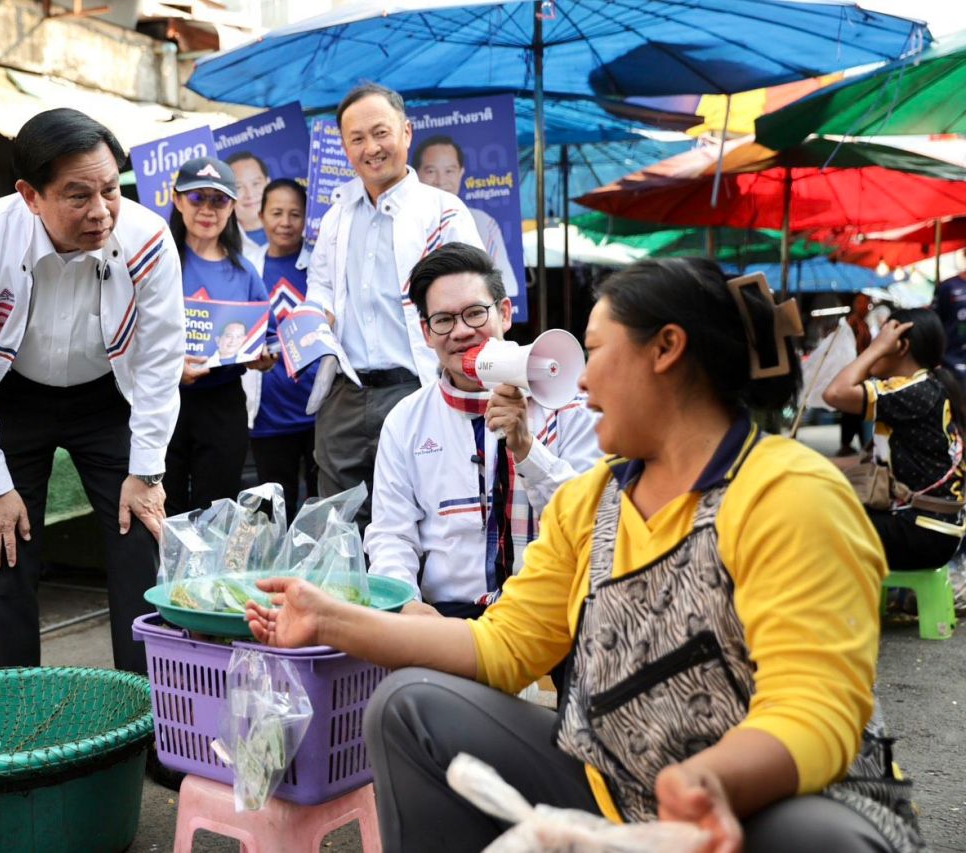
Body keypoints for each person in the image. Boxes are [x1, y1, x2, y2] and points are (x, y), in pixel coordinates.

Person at [247, 257, 923, 853]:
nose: (581, 378)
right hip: (614, 787)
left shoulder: (790, 492)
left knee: (816, 838)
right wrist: (329, 619)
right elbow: (502, 646)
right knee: (408, 706)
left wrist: (708, 778)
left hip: (765, 800)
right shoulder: (591, 500)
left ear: (667, 349)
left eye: (595, 350)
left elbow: (815, 706)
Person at [0, 108, 183, 674]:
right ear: (29, 195)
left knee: (137, 541)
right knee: (6, 548)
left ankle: (151, 725)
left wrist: (146, 472)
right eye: (78, 196)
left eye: (110, 190)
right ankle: (13, 725)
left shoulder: (147, 238)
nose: (101, 212)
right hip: (15, 395)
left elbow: (160, 359)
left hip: (107, 397)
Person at [367, 242, 600, 617]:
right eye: (443, 320)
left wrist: (528, 450)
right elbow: (392, 535)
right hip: (445, 615)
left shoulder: (570, 403)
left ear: (505, 313)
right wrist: (407, 605)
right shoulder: (406, 421)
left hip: (554, 613)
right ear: (426, 333)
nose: (461, 332)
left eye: (475, 314)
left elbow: (594, 521)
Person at [307, 83, 484, 527]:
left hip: (418, 387)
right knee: (339, 525)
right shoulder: (335, 217)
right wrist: (309, 326)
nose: (371, 148)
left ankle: (412, 601)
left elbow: (473, 299)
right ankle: (345, 601)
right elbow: (321, 290)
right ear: (345, 147)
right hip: (345, 394)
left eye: (380, 132)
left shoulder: (444, 211)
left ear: (406, 132)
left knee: (422, 518)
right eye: (357, 139)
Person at [166, 156, 275, 515]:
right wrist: (170, 366)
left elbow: (266, 335)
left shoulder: (244, 272)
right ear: (178, 199)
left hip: (222, 403)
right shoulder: (157, 262)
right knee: (162, 510)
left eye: (219, 200)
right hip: (163, 400)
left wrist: (263, 358)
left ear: (232, 207)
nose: (207, 210)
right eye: (197, 198)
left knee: (217, 511)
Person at [823, 307, 966, 571]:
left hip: (922, 532)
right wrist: (814, 464)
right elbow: (872, 460)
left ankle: (834, 609)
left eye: (882, 336)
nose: (874, 342)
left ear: (900, 346)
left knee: (815, 527)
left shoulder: (914, 390)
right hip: (928, 529)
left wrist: (874, 350)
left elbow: (835, 394)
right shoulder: (923, 387)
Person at [242, 178, 319, 519]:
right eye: (276, 213)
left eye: (295, 214)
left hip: (320, 412)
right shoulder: (246, 266)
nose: (285, 222)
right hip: (269, 416)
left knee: (320, 508)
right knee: (271, 513)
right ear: (260, 216)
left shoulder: (322, 265)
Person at [413, 134, 521, 299]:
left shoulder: (484, 223)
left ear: (461, 173)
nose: (441, 180)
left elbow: (508, 288)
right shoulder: (400, 222)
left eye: (449, 171)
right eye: (430, 171)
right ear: (415, 174)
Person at [838, 294, 873, 455]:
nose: (864, 306)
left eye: (866, 303)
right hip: (853, 370)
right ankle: (846, 443)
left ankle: (860, 442)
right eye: (860, 303)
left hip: (862, 372)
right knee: (850, 410)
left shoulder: (864, 324)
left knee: (859, 409)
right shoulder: (851, 323)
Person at [225, 150, 271, 251]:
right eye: (239, 187)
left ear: (268, 184)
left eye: (256, 183)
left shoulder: (303, 229)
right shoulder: (222, 247)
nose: (250, 194)